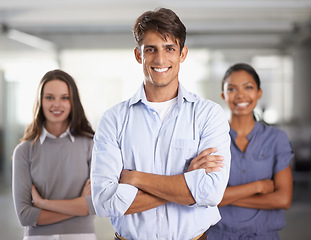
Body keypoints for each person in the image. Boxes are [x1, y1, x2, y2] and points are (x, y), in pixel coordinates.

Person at [91, 8, 231, 240]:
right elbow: (105, 201)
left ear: (183, 54)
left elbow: (211, 193)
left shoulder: (208, 115)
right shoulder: (113, 120)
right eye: (151, 49)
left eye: (169, 49)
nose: (160, 59)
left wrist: (136, 178)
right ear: (138, 55)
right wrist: (186, 184)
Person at [206, 63, 294, 239]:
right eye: (232, 89)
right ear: (223, 95)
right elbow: (204, 195)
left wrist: (224, 198)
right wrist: (258, 187)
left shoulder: (276, 138)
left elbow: (283, 200)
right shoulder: (212, 138)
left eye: (248, 87)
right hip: (219, 235)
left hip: (263, 235)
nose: (240, 95)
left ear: (259, 93)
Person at [12, 69, 97, 240]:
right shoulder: (24, 151)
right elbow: (25, 216)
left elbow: (95, 206)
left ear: (73, 102)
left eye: (64, 98)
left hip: (82, 237)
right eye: (50, 97)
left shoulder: (91, 145)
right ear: (40, 101)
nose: (57, 104)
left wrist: (43, 204)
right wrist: (79, 207)